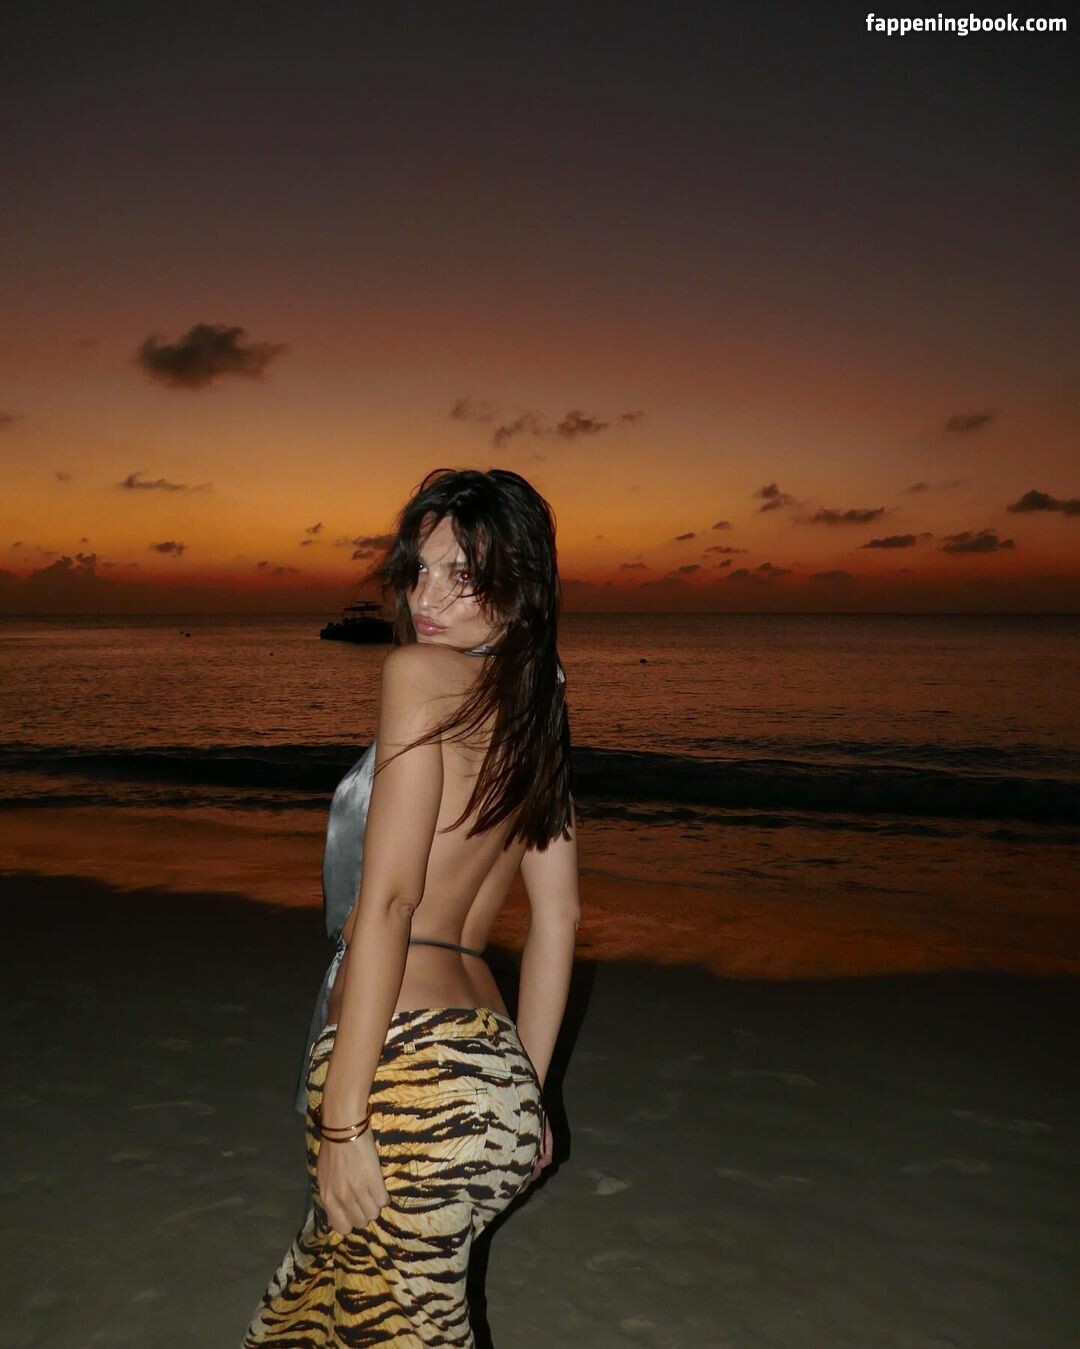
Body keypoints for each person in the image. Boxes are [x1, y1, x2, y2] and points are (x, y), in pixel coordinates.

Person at [242, 467, 580, 1347]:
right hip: (495, 1078)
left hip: (407, 1074)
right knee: (313, 1315)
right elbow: (557, 922)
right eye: (419, 570)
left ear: (518, 587)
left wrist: (345, 1117)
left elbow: (390, 901)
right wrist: (531, 1096)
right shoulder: (539, 712)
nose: (426, 598)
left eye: (462, 575)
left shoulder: (419, 675)